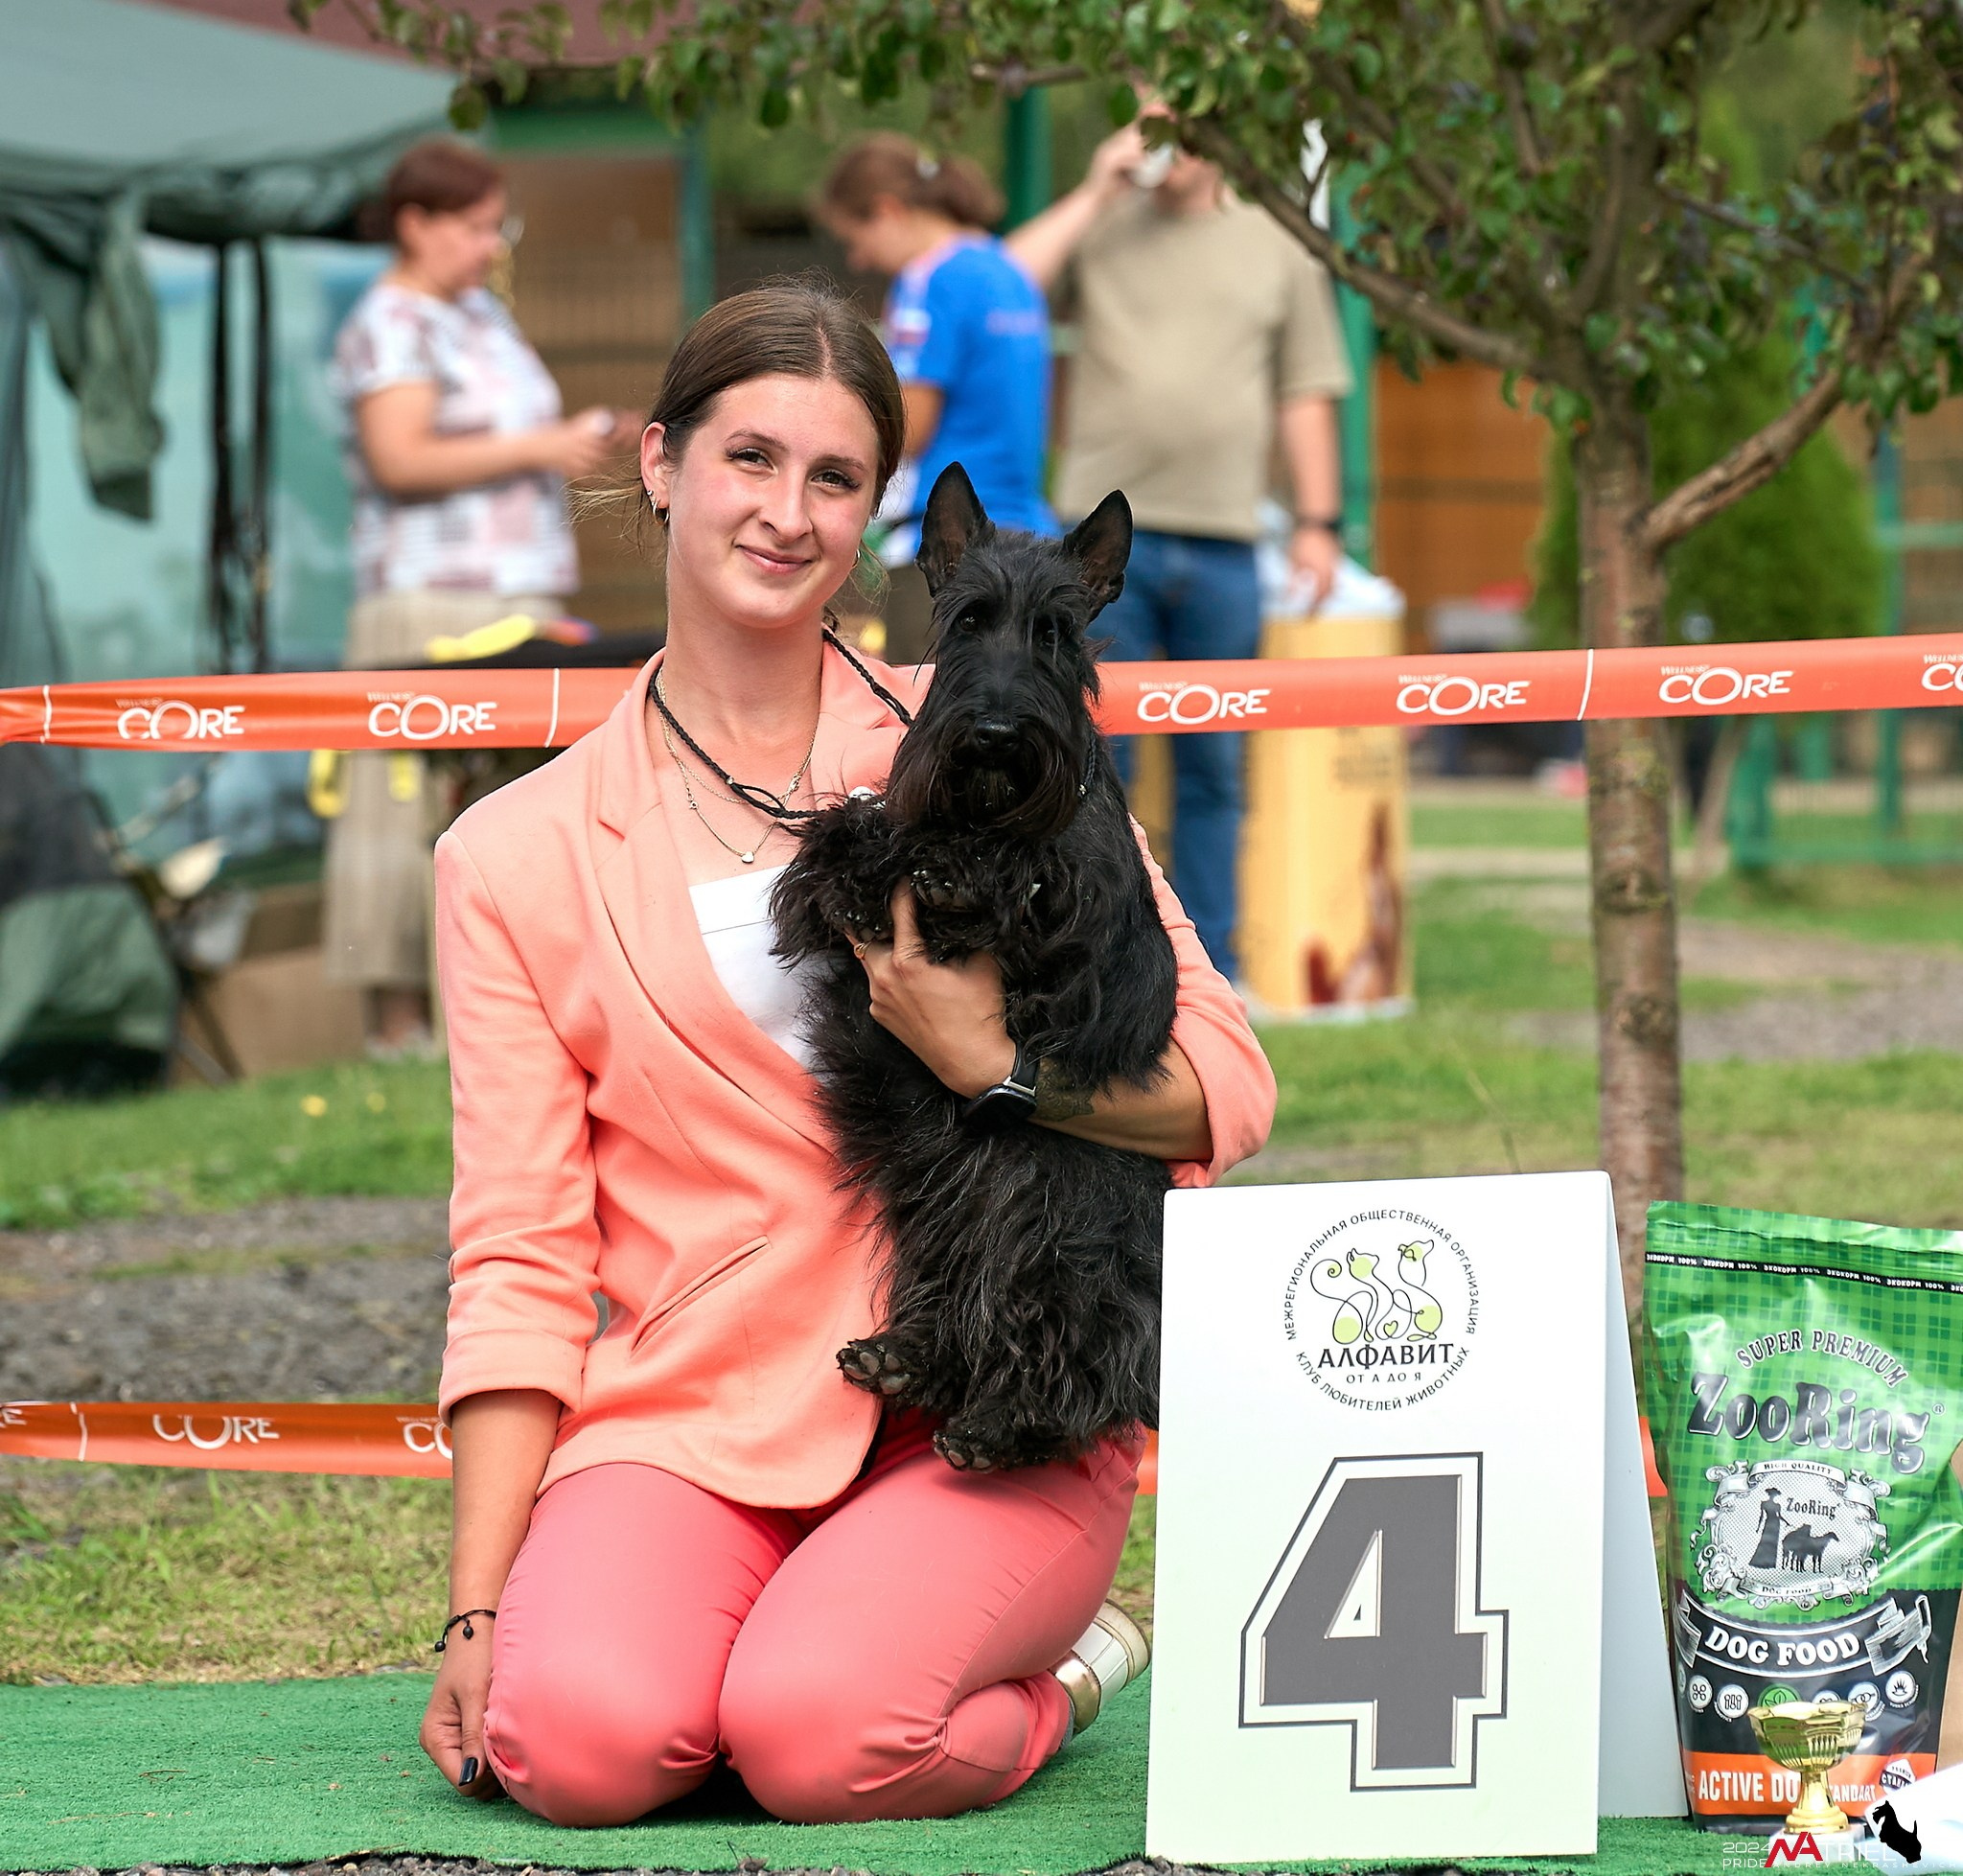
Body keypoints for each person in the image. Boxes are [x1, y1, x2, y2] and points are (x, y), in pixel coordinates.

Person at [421, 279, 1276, 1827]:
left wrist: (997, 1064)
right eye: (747, 458)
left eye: (832, 478)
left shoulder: (999, 753)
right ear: (661, 461)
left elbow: (1231, 1079)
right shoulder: (514, 855)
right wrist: (477, 1609)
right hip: (695, 1419)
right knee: (578, 1745)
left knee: (818, 1743)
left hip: (988, 1407)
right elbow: (519, 1262)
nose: (783, 511)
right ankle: (751, 1637)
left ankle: (1062, 1665)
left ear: (880, 519)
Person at [1007, 117, 1353, 978]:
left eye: (1184, 120)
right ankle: (1092, 962)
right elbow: (1001, 283)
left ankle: (1209, 979)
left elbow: (1306, 390)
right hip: (1094, 549)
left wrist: (1319, 521)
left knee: (1213, 776)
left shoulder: (1279, 240)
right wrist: (1095, 188)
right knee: (1083, 766)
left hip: (1231, 544)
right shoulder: (1104, 222)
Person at [325, 139, 634, 1056]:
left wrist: (584, 438)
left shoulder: (482, 317)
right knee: (400, 806)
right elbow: (400, 457)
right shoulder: (389, 320)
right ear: (414, 225)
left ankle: (509, 1013)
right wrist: (541, 448)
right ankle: (397, 1026)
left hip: (525, 595)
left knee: (517, 807)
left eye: (501, 224)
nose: (492, 243)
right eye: (473, 226)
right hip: (427, 599)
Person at [819, 133, 1054, 660]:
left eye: (857, 238)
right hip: (1029, 533)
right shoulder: (1006, 270)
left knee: (924, 724)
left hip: (952, 543)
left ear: (887, 210)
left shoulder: (927, 282)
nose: (859, 260)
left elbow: (908, 429)